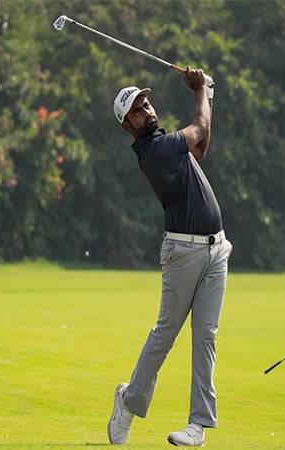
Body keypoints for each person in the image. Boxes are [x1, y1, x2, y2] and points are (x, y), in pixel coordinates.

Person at [107, 67, 232, 446]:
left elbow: (202, 146)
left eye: (146, 103)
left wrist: (207, 92)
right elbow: (198, 126)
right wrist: (201, 90)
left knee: (206, 336)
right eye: (137, 111)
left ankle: (198, 427)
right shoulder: (155, 150)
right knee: (166, 334)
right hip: (183, 251)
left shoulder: (168, 143)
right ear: (127, 126)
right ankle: (129, 401)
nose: (147, 110)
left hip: (216, 249)